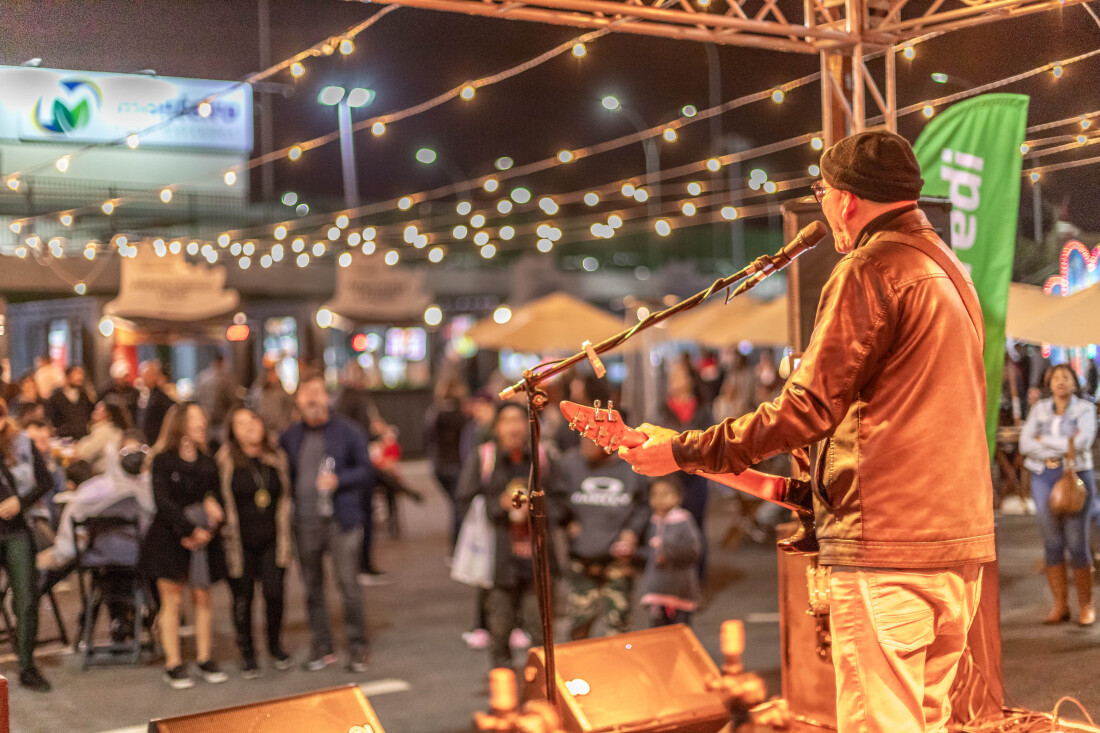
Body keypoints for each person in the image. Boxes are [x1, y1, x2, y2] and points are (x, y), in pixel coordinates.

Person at [620, 131, 996, 733]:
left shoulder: (870, 267)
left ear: (845, 200)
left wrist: (683, 449)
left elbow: (806, 408)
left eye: (821, 192)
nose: (822, 206)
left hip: (887, 551)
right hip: (957, 545)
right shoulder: (952, 271)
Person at [280, 370, 374, 673]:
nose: (312, 399)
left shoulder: (348, 431)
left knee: (348, 585)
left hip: (341, 522)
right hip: (305, 523)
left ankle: (358, 645)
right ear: (298, 400)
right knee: (312, 588)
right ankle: (323, 646)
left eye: (318, 392)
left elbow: (367, 470)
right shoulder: (291, 436)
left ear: (327, 397)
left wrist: (339, 479)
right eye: (306, 394)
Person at [456, 401, 553, 669]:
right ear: (497, 427)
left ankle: (540, 696)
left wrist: (536, 506)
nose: (514, 427)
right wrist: (497, 505)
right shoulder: (484, 458)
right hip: (499, 563)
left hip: (535, 562)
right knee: (499, 634)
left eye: (519, 420)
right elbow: (463, 500)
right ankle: (506, 698)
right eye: (507, 421)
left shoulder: (541, 458)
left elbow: (561, 501)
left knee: (540, 633)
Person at [138, 403, 228, 689]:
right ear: (180, 424)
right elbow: (161, 501)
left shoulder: (208, 460)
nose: (202, 424)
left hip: (204, 538)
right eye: (196, 419)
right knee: (172, 601)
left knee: (203, 598)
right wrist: (189, 529)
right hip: (169, 537)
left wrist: (212, 509)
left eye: (203, 419)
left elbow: (217, 495)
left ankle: (204, 657)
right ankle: (173, 663)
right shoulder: (163, 459)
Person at [216, 407, 294, 678]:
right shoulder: (226, 460)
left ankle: (275, 645)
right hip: (239, 541)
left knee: (274, 593)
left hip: (274, 537)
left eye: (253, 419)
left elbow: (286, 496)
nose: (249, 426)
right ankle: (247, 653)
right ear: (233, 432)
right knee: (243, 597)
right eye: (241, 423)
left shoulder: (277, 457)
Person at [1019, 363, 1097, 626]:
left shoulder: (1085, 409)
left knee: (1077, 541)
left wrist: (1044, 442)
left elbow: (1084, 441)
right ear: (1048, 384)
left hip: (1077, 476)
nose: (1060, 382)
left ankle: (1086, 605)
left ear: (1075, 383)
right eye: (1055, 378)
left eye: (1066, 377)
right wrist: (1066, 444)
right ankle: (1060, 605)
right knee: (1052, 542)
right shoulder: (1039, 410)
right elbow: (1025, 444)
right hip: (1044, 476)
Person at [555, 438, 649, 640]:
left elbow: (644, 505)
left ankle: (616, 668)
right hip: (581, 559)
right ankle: (578, 669)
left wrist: (633, 531)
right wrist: (566, 520)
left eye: (591, 440)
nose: (584, 444)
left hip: (617, 561)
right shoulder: (570, 463)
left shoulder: (632, 466)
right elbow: (555, 498)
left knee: (619, 623)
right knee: (580, 622)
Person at [0, 416, 54, 691]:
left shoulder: (21, 442)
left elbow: (46, 481)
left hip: (18, 529)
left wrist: (19, 502)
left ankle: (26, 666)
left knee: (26, 599)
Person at [659, 357, 712, 581]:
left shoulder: (702, 410)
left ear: (690, 379)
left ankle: (697, 581)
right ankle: (675, 581)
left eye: (679, 374)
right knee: (670, 529)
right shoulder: (662, 410)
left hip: (697, 477)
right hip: (671, 478)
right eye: (671, 376)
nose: (673, 380)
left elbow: (711, 439)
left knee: (695, 528)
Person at [639, 476, 702, 627]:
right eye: (655, 494)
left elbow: (693, 551)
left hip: (679, 588)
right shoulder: (654, 520)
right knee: (659, 633)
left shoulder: (683, 520)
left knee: (680, 631)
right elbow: (650, 553)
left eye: (665, 494)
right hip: (659, 589)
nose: (659, 499)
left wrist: (665, 548)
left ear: (678, 497)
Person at [425, 375, 470, 553]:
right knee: (458, 507)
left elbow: (428, 440)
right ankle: (457, 548)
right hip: (455, 466)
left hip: (439, 466)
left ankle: (457, 547)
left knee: (455, 505)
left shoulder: (433, 413)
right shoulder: (460, 416)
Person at [75, 401, 131, 474]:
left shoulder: (105, 432)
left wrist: (76, 447)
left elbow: (85, 453)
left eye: (97, 410)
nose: (93, 413)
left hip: (102, 473)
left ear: (107, 414)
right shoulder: (112, 430)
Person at [195, 353, 237, 446]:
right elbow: (232, 399)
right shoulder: (226, 378)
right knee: (223, 447)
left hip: (206, 418)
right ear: (222, 362)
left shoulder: (202, 376)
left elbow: (197, 397)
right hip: (222, 420)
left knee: (207, 446)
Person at [45, 365, 95, 440]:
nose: (80, 377)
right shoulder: (56, 398)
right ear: (67, 376)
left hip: (83, 439)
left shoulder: (84, 397)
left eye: (81, 374)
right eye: (76, 374)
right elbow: (49, 418)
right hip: (64, 440)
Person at [248, 358, 296, 434]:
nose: (273, 376)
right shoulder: (260, 388)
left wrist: (285, 421)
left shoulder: (281, 390)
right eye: (271, 373)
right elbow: (252, 402)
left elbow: (290, 406)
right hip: (263, 426)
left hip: (278, 428)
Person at [137, 361, 176, 447]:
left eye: (146, 376)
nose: (143, 379)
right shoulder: (147, 394)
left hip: (155, 442)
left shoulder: (161, 398)